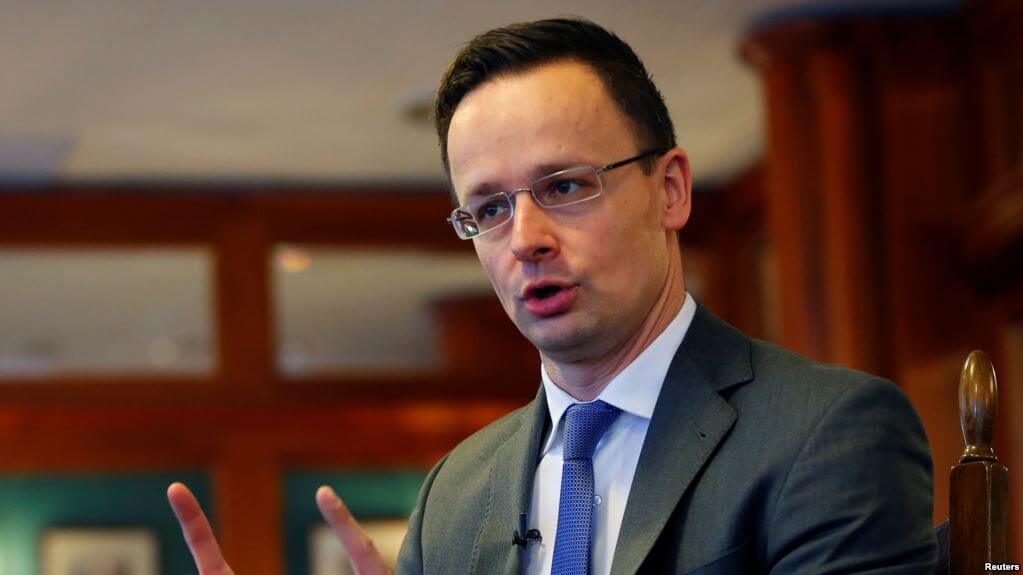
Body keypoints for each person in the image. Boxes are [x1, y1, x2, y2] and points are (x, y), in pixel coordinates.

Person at [168, 17, 938, 574]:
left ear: (669, 189)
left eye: (565, 186)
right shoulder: (453, 496)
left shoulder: (827, 432)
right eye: (488, 208)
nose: (524, 238)